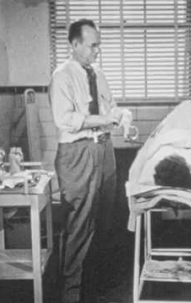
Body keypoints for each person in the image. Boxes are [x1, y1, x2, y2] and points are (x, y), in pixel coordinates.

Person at [49, 19, 121, 303]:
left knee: (105, 218)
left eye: (99, 45)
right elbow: (64, 120)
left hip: (104, 150)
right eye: (92, 45)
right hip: (77, 153)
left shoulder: (98, 73)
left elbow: (110, 106)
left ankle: (97, 285)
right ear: (74, 44)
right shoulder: (62, 76)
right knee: (80, 222)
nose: (97, 51)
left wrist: (120, 116)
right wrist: (104, 119)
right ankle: (71, 293)